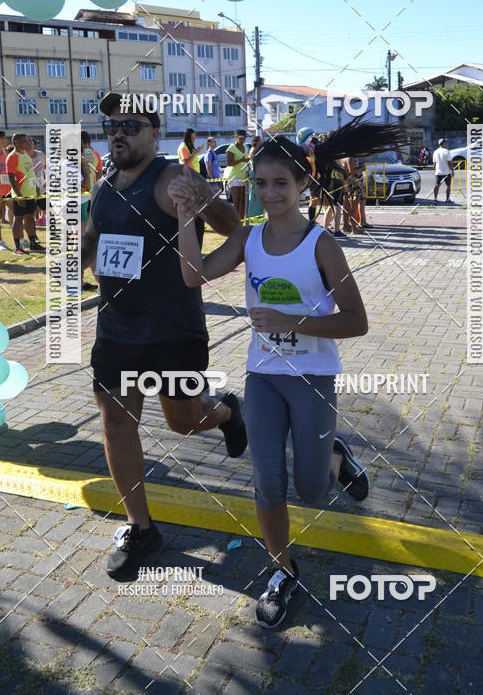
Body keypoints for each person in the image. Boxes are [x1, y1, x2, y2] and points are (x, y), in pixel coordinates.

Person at [170, 122, 400, 628]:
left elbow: (357, 321)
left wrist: (293, 321)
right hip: (264, 378)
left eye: (281, 184)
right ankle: (282, 571)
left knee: (312, 489)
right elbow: (193, 275)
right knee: (268, 485)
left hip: (313, 377)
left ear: (303, 184)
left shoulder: (321, 246)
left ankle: (338, 458)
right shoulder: (248, 237)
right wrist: (188, 215)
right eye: (261, 184)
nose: (270, 194)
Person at [81, 92, 246, 580]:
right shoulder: (105, 181)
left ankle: (227, 411)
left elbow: (231, 226)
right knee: (115, 421)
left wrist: (197, 202)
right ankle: (141, 527)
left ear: (156, 133)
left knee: (183, 422)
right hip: (116, 328)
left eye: (132, 125)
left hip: (174, 332)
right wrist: (81, 258)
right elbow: (95, 233)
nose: (119, 132)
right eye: (112, 124)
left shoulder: (174, 177)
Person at [6, 134, 45, 255]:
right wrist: (18, 196)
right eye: (24, 141)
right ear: (17, 142)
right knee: (18, 220)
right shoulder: (12, 157)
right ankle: (17, 247)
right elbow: (11, 178)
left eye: (28, 140)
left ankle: (33, 243)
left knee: (30, 218)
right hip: (21, 194)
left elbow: (30, 173)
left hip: (31, 193)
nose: (27, 143)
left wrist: (37, 189)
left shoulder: (25, 154)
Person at [81, 131, 102, 292]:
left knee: (83, 239)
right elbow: (100, 175)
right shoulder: (95, 154)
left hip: (80, 198)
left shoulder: (76, 156)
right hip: (94, 197)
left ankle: (79, 279)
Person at [226, 129, 249, 221]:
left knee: (243, 201)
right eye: (240, 138)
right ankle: (234, 222)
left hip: (244, 176)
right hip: (234, 177)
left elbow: (245, 160)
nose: (242, 140)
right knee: (237, 201)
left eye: (244, 138)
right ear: (236, 138)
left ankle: (241, 222)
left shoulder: (246, 147)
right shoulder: (231, 148)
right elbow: (229, 163)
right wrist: (241, 160)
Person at [27, 137, 47, 228]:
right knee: (33, 203)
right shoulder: (25, 156)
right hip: (29, 183)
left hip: (41, 182)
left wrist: (47, 180)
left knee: (43, 203)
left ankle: (42, 218)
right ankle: (34, 219)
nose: (35, 146)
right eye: (34, 144)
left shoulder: (41, 154)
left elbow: (47, 167)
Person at [432, 137, 454, 205]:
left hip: (438, 172)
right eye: (445, 143)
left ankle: (435, 199)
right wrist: (452, 171)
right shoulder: (446, 151)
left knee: (437, 185)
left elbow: (434, 163)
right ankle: (447, 199)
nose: (446, 144)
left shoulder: (435, 152)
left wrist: (435, 170)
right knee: (448, 185)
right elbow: (449, 162)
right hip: (446, 172)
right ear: (443, 144)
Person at [247, 136, 264, 221]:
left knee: (258, 196)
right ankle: (254, 216)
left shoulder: (257, 150)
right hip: (255, 174)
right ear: (256, 142)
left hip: (257, 173)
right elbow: (255, 163)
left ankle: (258, 215)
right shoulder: (253, 151)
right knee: (255, 196)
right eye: (260, 141)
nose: (261, 142)